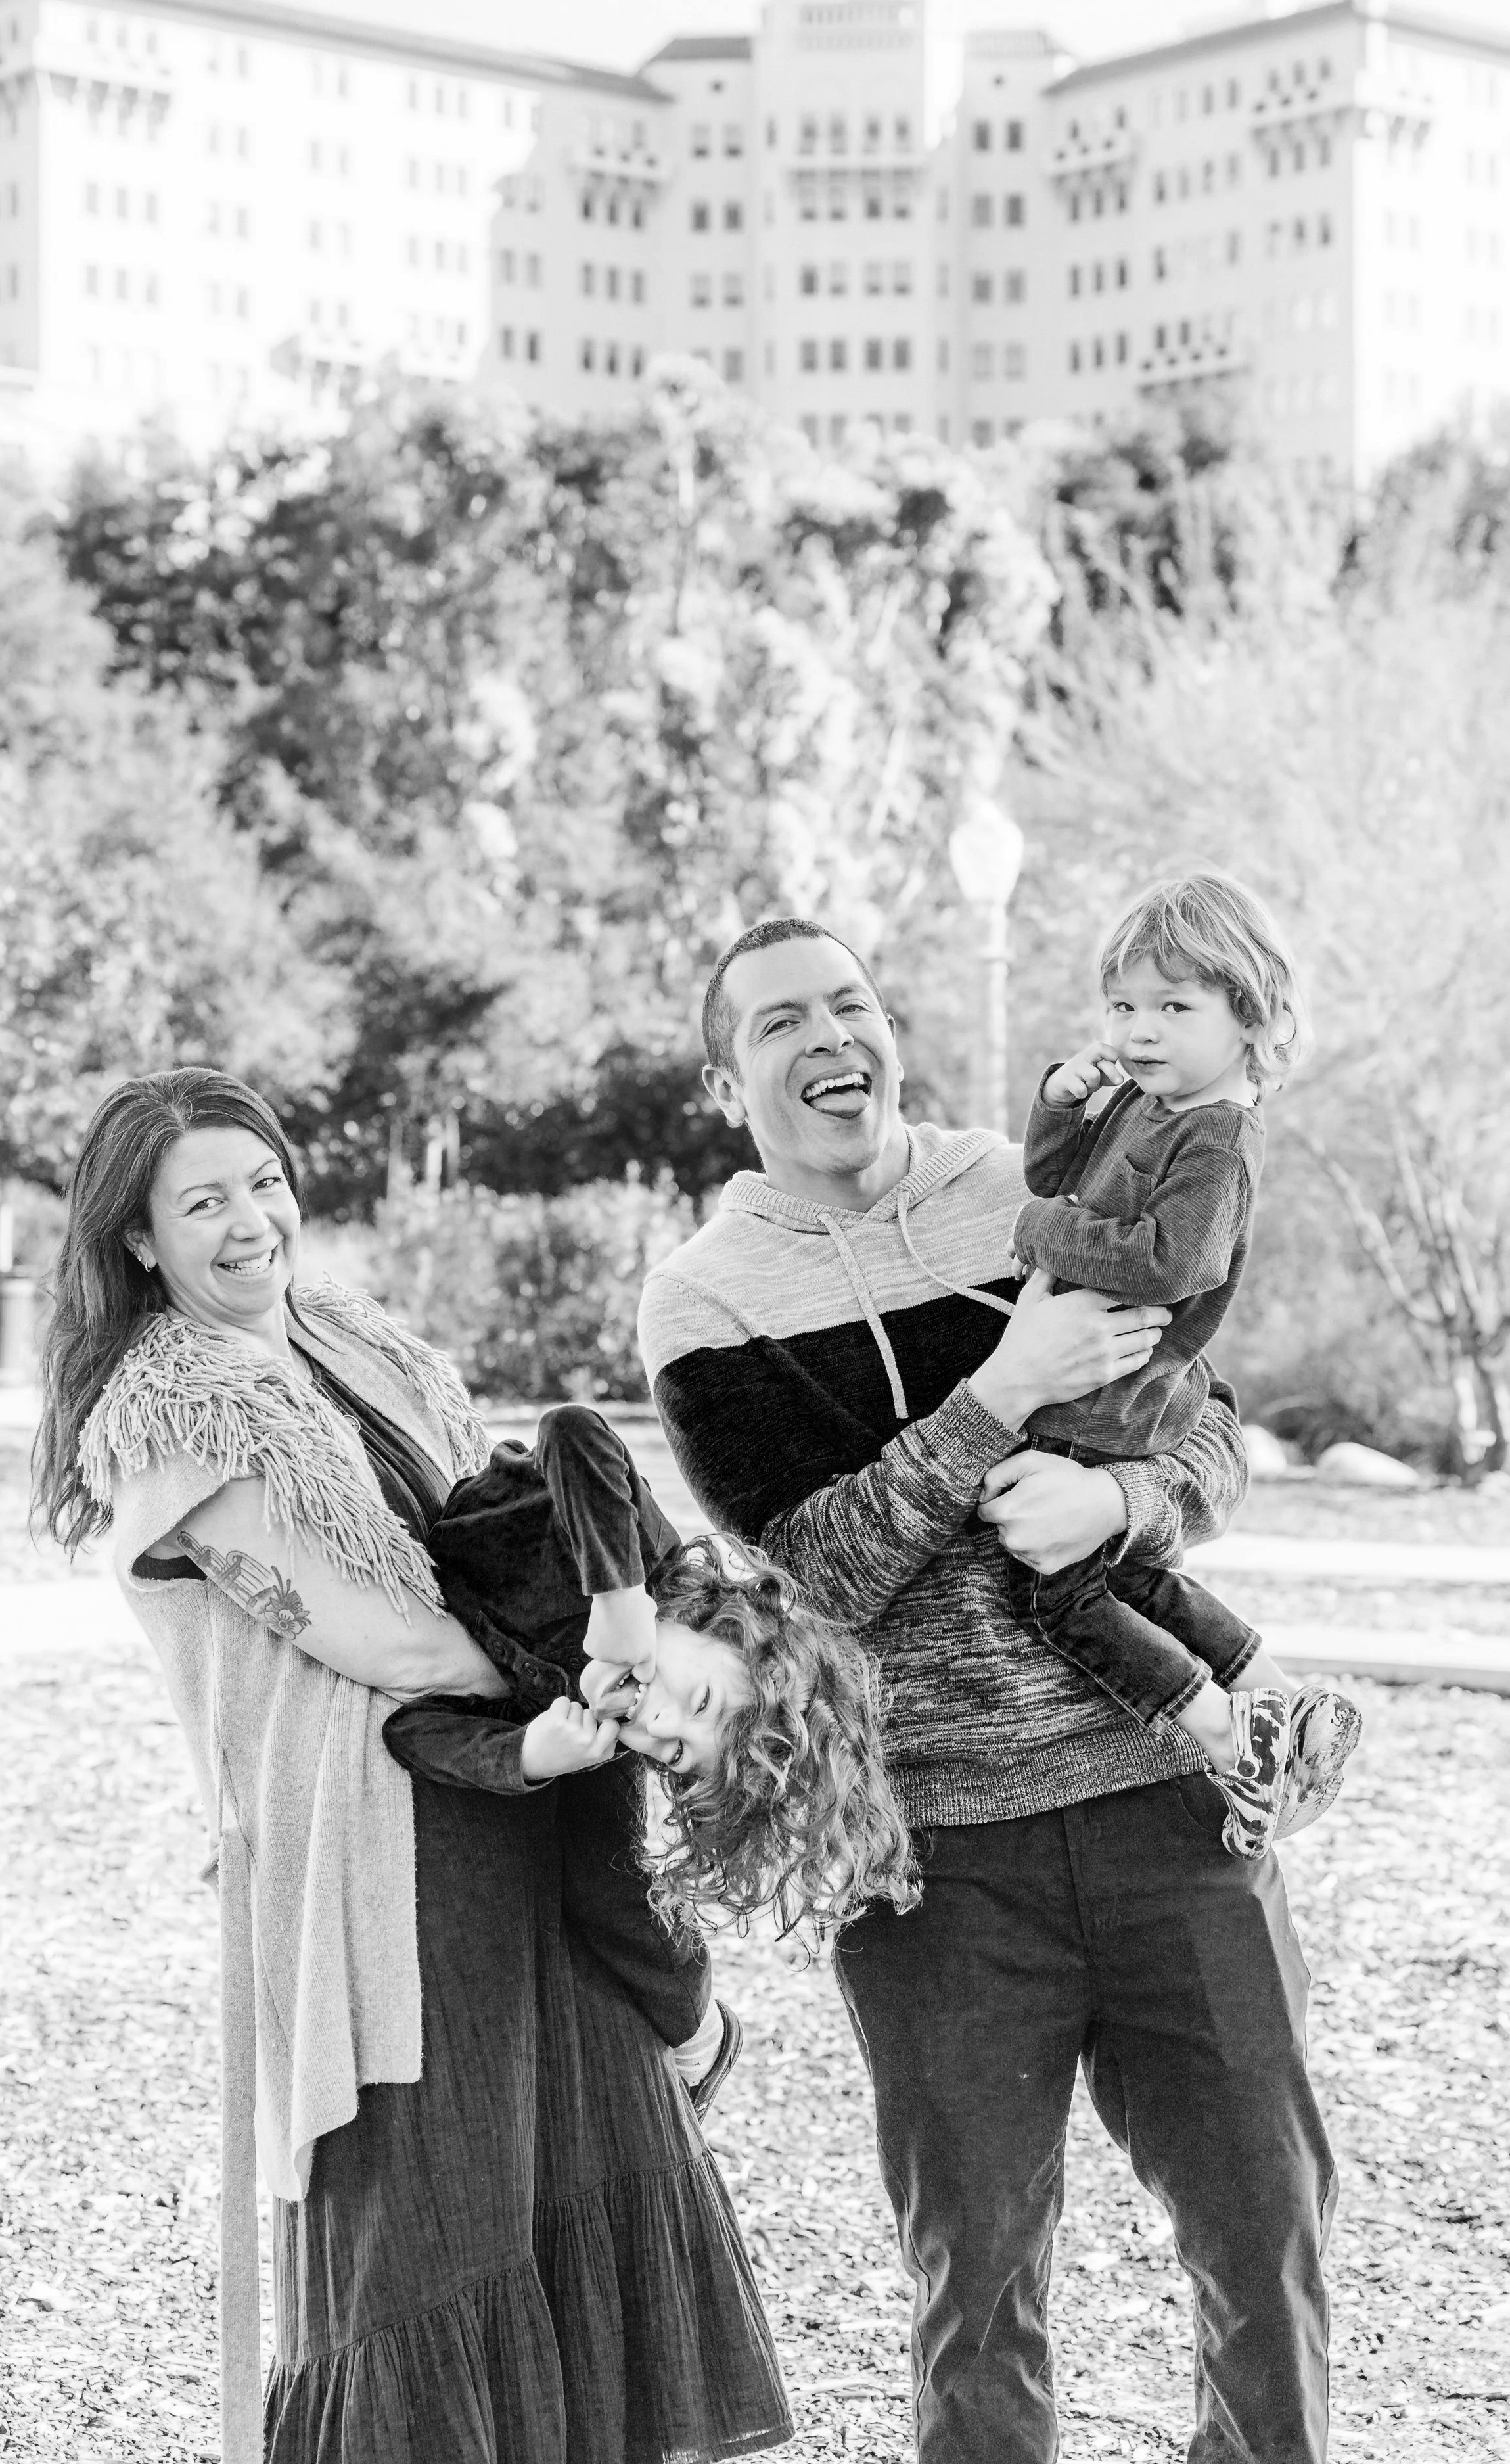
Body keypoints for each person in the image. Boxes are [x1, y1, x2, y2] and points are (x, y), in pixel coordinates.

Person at [632, 918, 1337, 2464]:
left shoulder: (1027, 1192)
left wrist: (1128, 1509)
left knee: (1267, 2247)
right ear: (726, 1075)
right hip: (934, 1858)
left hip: (1169, 1798)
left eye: (851, 1002)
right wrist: (999, 1394)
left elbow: (1207, 1429)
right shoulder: (705, 1299)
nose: (830, 1038)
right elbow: (809, 1579)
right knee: (978, 2290)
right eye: (779, 1023)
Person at [32, 1067, 792, 2464]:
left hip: (527, 1790)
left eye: (262, 1181)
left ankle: (683, 2011)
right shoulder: (180, 1410)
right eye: (201, 1200)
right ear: (139, 1239)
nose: (250, 1219)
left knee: (588, 2173)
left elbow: (504, 1504)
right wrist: (600, 1665)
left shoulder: (347, 1337)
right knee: (429, 2229)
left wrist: (628, 1629)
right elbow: (397, 1640)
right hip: (391, 1842)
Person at [1004, 872, 1361, 1857]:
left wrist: (1039, 1234)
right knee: (1127, 1573)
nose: (1138, 1031)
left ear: (1249, 1016)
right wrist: (1060, 1105)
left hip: (1115, 1392)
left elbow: (1175, 1261)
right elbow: (1051, 1176)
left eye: (1173, 1006)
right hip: (1091, 1375)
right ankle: (1277, 1695)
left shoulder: (1221, 1131)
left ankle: (1232, 1735)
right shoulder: (1149, 1101)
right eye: (1123, 1006)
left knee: (1060, 1595)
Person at [386, 1415, 917, 1960]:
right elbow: (571, 1432)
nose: (660, 1726)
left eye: (679, 1752)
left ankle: (693, 2022)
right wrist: (618, 1597)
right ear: (717, 1623)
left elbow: (408, 1730)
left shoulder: (581, 1726)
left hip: (414, 1601)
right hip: (449, 1502)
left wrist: (527, 1756)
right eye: (702, 1701)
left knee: (605, 1876)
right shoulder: (647, 1556)